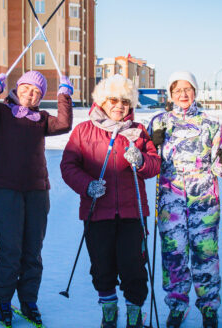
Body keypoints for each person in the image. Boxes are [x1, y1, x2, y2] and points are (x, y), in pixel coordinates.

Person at [60, 74, 161, 328]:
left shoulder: (137, 132)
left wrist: (140, 160)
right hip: (97, 213)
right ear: (102, 101)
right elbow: (68, 166)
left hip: (132, 213)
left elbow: (154, 164)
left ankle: (135, 316)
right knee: (102, 267)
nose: (119, 105)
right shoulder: (84, 131)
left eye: (125, 101)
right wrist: (87, 186)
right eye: (113, 99)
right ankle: (109, 312)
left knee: (134, 268)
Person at [0, 71, 73, 327]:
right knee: (10, 249)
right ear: (17, 88)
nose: (30, 94)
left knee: (32, 251)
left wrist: (64, 95)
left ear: (41, 97)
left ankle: (29, 300)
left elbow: (63, 124)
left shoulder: (41, 119)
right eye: (27, 88)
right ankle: (4, 301)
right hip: (5, 190)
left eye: (37, 92)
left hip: (37, 191)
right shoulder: (1, 112)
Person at [148, 71, 222, 328]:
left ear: (195, 91)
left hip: (204, 202)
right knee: (173, 255)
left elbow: (221, 168)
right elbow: (149, 162)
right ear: (170, 93)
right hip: (170, 201)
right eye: (177, 90)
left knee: (205, 255)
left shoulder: (211, 124)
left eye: (188, 89)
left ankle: (209, 307)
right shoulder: (158, 122)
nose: (183, 94)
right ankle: (177, 305)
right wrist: (152, 144)